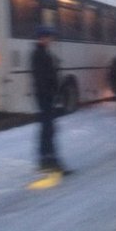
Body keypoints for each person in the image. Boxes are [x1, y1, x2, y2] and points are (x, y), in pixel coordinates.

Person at [30, 26, 72, 174]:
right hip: (45, 96)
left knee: (47, 128)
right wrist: (50, 93)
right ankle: (51, 161)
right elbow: (42, 78)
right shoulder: (40, 54)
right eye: (49, 37)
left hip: (46, 96)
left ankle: (45, 159)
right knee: (48, 129)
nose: (51, 40)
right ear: (43, 38)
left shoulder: (43, 53)